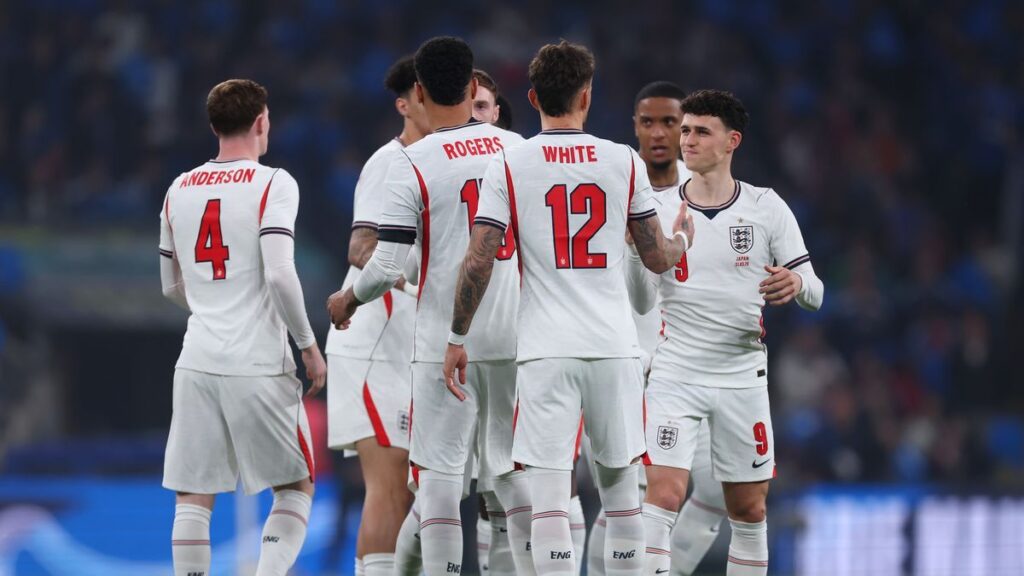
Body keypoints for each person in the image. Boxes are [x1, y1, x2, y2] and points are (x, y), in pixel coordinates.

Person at [443, 41, 692, 576]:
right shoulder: (622, 160)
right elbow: (653, 256)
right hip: (613, 347)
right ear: (587, 95)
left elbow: (479, 259)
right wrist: (680, 242)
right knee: (624, 496)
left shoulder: (510, 162)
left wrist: (457, 335)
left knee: (551, 494)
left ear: (532, 97)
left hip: (545, 351)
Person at [327, 36, 532, 576]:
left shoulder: (413, 161)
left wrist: (348, 296)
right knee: (509, 481)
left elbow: (385, 262)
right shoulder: (519, 149)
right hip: (510, 336)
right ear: (472, 88)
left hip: (441, 341)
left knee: (435, 486)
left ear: (419, 91)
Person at [629, 90, 824, 576]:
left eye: (700, 131)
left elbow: (816, 290)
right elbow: (638, 297)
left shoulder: (765, 206)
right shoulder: (655, 206)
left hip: (742, 377)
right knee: (665, 494)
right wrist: (646, 251)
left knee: (750, 510)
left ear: (731, 141)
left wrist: (796, 281)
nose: (686, 139)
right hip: (675, 373)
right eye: (685, 129)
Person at [159, 78, 327, 576]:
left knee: (194, 496)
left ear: (214, 126)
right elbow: (279, 272)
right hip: (257, 360)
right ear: (261, 123)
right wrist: (309, 345)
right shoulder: (275, 183)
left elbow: (170, 285)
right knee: (296, 485)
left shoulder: (178, 188)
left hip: (196, 359)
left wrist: (213, 308)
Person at [586, 80, 729, 576]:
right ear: (635, 127)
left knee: (715, 492)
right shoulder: (611, 186)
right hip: (631, 364)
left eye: (671, 122)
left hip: (697, 364)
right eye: (648, 122)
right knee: (631, 501)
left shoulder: (709, 190)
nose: (660, 133)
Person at [325, 55, 429, 576]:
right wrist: (417, 278)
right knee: (388, 489)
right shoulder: (390, 163)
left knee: (414, 495)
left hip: (409, 343)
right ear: (406, 104)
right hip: (372, 337)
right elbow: (361, 248)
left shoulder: (441, 162)